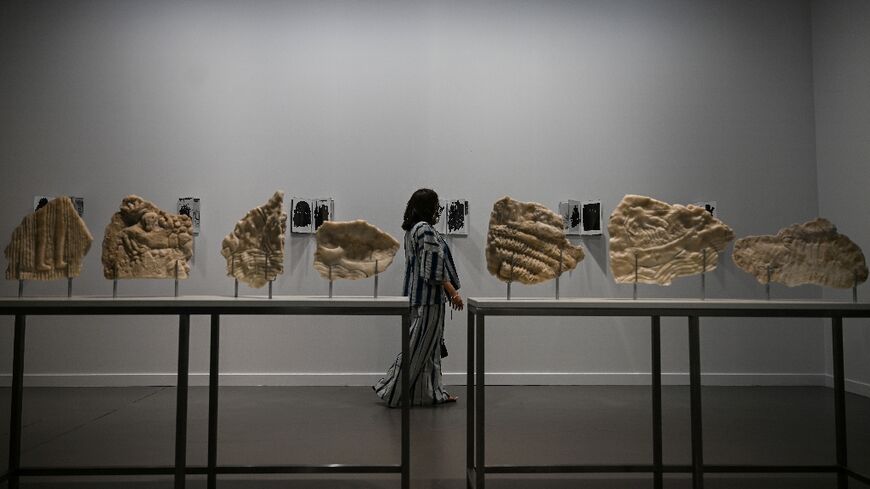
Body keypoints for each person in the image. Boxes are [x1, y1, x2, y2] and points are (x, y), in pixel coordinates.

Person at [374, 188, 463, 407]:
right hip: (428, 300)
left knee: (429, 349)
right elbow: (433, 270)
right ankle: (392, 391)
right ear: (429, 207)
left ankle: (430, 394)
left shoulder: (411, 230)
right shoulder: (425, 230)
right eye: (435, 205)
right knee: (418, 348)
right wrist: (453, 293)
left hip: (415, 297)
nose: (437, 210)